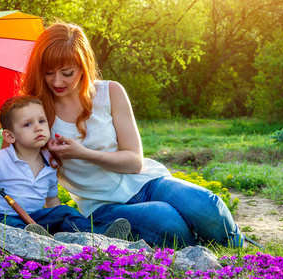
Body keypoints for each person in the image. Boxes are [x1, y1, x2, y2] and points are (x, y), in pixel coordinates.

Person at [20, 21, 246, 249]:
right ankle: (200, 249)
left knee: (205, 205)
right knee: (166, 220)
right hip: (102, 205)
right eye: (49, 73)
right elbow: (13, 165)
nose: (57, 82)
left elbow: (134, 163)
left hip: (147, 182)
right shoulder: (36, 113)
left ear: (83, 66)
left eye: (67, 73)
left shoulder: (110, 92)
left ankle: (240, 249)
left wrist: (83, 153)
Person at [0, 95, 131, 242]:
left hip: (34, 220)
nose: (38, 127)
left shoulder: (49, 161)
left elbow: (52, 200)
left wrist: (56, 220)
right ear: (10, 136)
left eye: (42, 121)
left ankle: (97, 237)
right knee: (10, 225)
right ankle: (33, 240)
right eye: (27, 124)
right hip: (0, 220)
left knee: (64, 212)